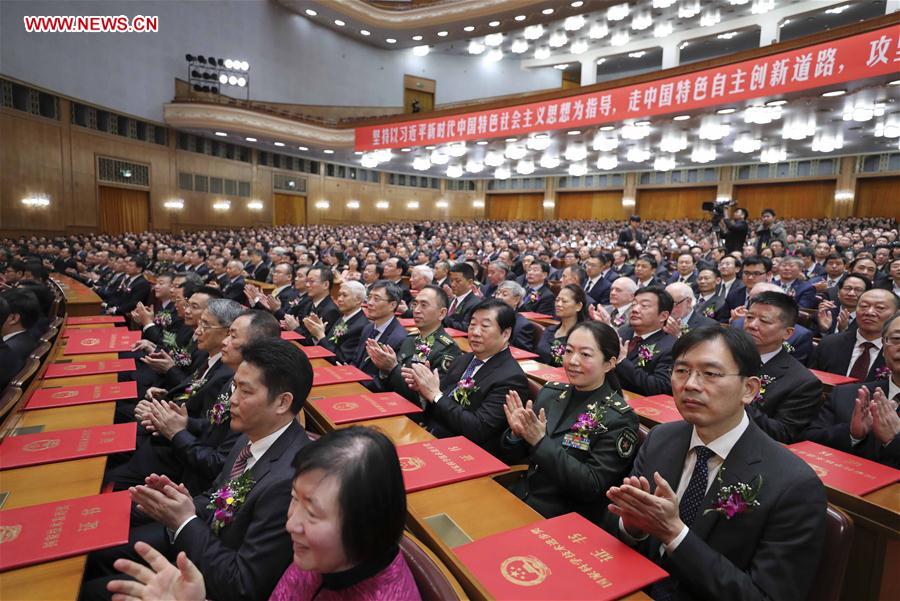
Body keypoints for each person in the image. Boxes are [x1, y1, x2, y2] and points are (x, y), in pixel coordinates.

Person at [83, 339, 314, 601]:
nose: (232, 400)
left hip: (213, 577)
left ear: (283, 402)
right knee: (97, 552)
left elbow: (242, 585)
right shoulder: (251, 434)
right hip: (200, 537)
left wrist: (185, 521)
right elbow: (217, 495)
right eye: (234, 387)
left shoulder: (289, 482)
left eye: (245, 392)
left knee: (94, 592)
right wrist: (179, 502)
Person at [607, 326, 826, 601]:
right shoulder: (660, 438)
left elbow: (766, 596)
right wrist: (634, 528)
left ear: (749, 389)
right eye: (681, 370)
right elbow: (621, 530)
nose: (690, 384)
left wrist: (675, 534)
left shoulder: (794, 485)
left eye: (710, 374)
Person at [106, 427, 420, 601]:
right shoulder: (324, 555)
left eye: (312, 513)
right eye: (294, 499)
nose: (291, 523)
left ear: (367, 523)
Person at [501, 321, 638, 523]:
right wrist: (516, 434)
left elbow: (591, 485)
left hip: (565, 517)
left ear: (609, 363)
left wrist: (540, 441)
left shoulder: (619, 418)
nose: (573, 361)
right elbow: (513, 456)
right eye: (568, 351)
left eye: (585, 354)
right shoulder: (550, 394)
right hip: (523, 496)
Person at [401, 299, 530, 456]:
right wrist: (424, 389)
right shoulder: (465, 359)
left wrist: (435, 394)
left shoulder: (512, 379)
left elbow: (478, 429)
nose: (475, 332)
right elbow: (441, 401)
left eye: (485, 326)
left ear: (506, 333)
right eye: (472, 324)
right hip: (432, 433)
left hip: (463, 452)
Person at [804, 311, 900, 468]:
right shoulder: (848, 395)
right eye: (896, 339)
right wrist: (852, 434)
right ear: (883, 347)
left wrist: (894, 441)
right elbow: (808, 441)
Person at [742, 291, 822, 443]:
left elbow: (783, 434)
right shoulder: (723, 356)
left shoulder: (802, 382)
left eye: (764, 321)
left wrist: (733, 400)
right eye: (749, 317)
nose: (752, 325)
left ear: (787, 333)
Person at [367, 285, 461, 401]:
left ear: (441, 313)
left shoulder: (447, 349)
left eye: (424, 305)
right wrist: (385, 370)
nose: (416, 310)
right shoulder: (410, 338)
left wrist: (392, 368)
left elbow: (431, 400)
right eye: (415, 304)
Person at [809, 289, 898, 381]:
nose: (869, 312)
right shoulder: (829, 343)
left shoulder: (896, 350)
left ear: (896, 314)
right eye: (864, 306)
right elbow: (811, 382)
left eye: (880, 308)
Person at [615, 286, 676, 396]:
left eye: (644, 306)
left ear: (663, 316)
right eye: (634, 304)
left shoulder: (670, 346)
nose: (635, 309)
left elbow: (660, 387)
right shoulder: (623, 332)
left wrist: (622, 361)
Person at [352, 281, 408, 386]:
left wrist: (357, 381)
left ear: (392, 305)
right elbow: (356, 361)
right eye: (369, 297)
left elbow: (387, 383)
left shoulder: (399, 338)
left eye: (376, 299)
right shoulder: (368, 328)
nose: (370, 303)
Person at [304, 281, 368, 364]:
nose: (339, 299)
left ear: (358, 300)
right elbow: (329, 344)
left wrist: (320, 335)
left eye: (344, 295)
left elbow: (341, 358)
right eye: (339, 295)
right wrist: (317, 332)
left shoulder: (360, 326)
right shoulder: (342, 317)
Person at [536, 284, 588, 366]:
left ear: (578, 306)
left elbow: (562, 362)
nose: (558, 304)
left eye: (564, 301)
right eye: (557, 300)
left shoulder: (582, 336)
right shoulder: (550, 330)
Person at [494, 280, 535, 352]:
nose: (499, 297)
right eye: (498, 293)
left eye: (504, 294)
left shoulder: (522, 325)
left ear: (516, 300)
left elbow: (523, 353)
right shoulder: (491, 317)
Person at [443, 262, 479, 331]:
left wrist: (443, 317)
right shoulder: (450, 300)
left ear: (470, 282)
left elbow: (466, 328)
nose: (452, 284)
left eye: (457, 281)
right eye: (451, 280)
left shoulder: (475, 304)